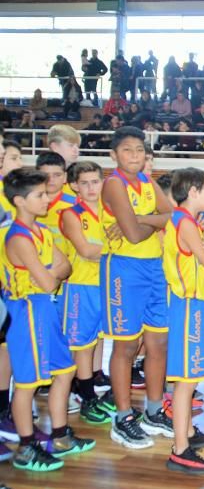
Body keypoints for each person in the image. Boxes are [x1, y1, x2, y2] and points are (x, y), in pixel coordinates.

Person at [3, 168, 94, 471]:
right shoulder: (17, 237)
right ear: (19, 201)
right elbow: (47, 282)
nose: (47, 198)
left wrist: (49, 274)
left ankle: (59, 434)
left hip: (45, 310)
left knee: (65, 370)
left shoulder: (40, 231)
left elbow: (65, 267)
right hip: (27, 312)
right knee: (27, 384)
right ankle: (27, 448)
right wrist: (49, 274)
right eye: (39, 195)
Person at [100, 127, 173, 449]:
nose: (135, 156)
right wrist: (150, 220)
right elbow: (130, 235)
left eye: (139, 150)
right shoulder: (114, 184)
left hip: (154, 268)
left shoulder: (148, 181)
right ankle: (123, 415)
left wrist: (141, 218)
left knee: (158, 343)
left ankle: (154, 410)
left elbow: (171, 216)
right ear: (114, 155)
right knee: (126, 347)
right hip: (124, 270)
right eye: (127, 150)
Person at [162, 169, 204, 474]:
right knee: (185, 381)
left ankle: (186, 434)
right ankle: (180, 448)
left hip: (197, 302)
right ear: (193, 192)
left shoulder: (186, 222)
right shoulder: (185, 224)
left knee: (191, 376)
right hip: (188, 304)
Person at [58, 162, 113, 424]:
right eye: (85, 183)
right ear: (74, 186)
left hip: (106, 285)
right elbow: (86, 250)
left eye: (95, 181)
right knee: (80, 344)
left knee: (95, 340)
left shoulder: (109, 210)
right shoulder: (71, 214)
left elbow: (98, 249)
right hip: (80, 286)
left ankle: (88, 389)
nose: (92, 187)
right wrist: (117, 248)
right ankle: (86, 396)